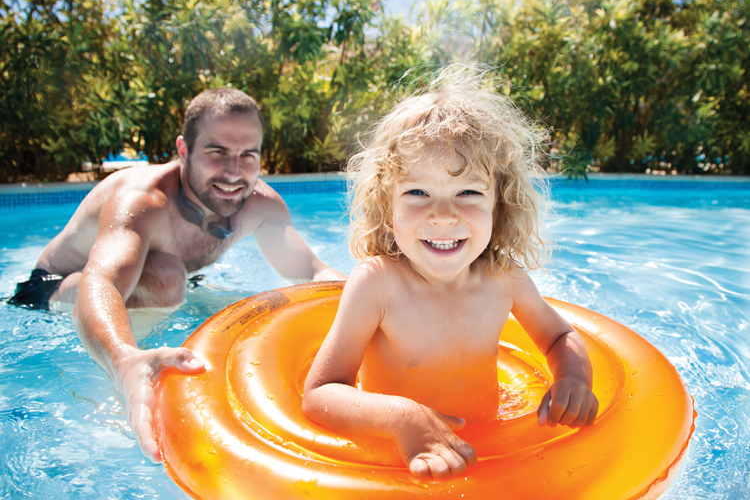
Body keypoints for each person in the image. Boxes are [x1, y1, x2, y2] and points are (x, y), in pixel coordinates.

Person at [9, 87, 345, 462]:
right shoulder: (143, 202)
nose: (234, 172)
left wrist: (353, 293)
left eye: (247, 155)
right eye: (217, 152)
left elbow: (311, 270)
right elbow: (102, 282)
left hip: (167, 282)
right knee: (167, 278)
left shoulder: (259, 205)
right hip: (53, 289)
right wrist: (124, 362)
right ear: (184, 150)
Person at [302, 67, 599, 480]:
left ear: (501, 203)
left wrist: (572, 379)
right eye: (417, 193)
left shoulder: (502, 278)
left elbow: (560, 336)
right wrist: (401, 417)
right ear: (387, 206)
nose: (443, 216)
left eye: (468, 193)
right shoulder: (377, 284)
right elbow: (320, 394)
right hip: (397, 463)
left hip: (488, 449)